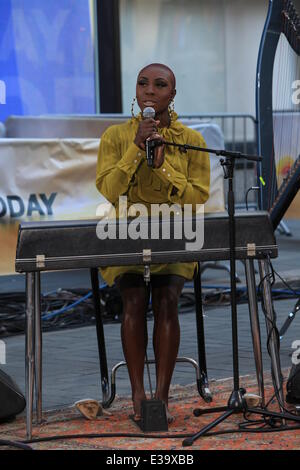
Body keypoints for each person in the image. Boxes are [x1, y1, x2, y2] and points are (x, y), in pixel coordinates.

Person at [96, 63, 210, 422]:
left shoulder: (191, 140)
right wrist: (135, 150)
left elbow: (197, 198)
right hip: (125, 234)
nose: (149, 90)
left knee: (166, 299)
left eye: (159, 85)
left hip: (175, 233)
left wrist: (162, 166)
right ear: (136, 92)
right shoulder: (115, 137)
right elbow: (110, 190)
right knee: (133, 298)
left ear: (171, 95)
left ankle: (159, 399)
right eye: (143, 83)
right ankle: (137, 395)